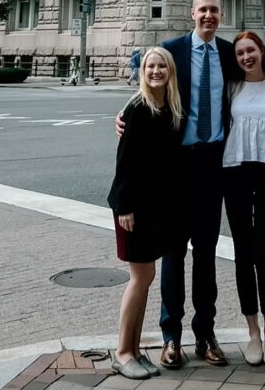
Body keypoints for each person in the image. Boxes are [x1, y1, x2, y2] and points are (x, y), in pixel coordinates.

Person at [117, 0, 239, 368]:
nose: (208, 16)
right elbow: (148, 89)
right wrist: (122, 115)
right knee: (173, 255)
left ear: (221, 15)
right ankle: (171, 337)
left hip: (212, 166)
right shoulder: (172, 50)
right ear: (191, 14)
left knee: (206, 254)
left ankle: (206, 334)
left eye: (214, 11)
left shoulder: (228, 53)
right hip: (176, 169)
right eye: (202, 10)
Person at [108, 46, 183, 380]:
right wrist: (124, 206)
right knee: (140, 278)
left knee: (147, 276)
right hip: (133, 208)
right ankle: (123, 352)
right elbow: (124, 162)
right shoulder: (137, 107)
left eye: (162, 66)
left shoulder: (170, 108)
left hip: (156, 207)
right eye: (151, 66)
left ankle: (135, 350)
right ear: (142, 71)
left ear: (170, 72)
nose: (156, 71)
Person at [222, 31, 265, 367]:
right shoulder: (232, 87)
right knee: (242, 253)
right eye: (240, 53)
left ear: (262, 52)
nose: (246, 57)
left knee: (264, 252)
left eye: (251, 51)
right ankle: (251, 333)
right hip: (234, 171)